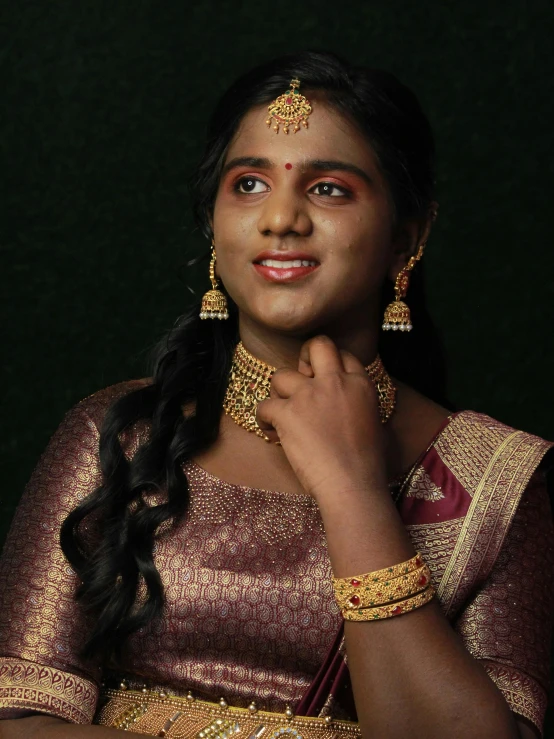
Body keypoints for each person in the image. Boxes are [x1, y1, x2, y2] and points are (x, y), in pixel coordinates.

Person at [0, 50, 552, 739]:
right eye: (250, 184)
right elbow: (19, 720)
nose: (281, 218)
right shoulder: (120, 436)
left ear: (406, 238)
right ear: (213, 224)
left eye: (329, 189)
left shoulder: (496, 484)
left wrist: (352, 486)